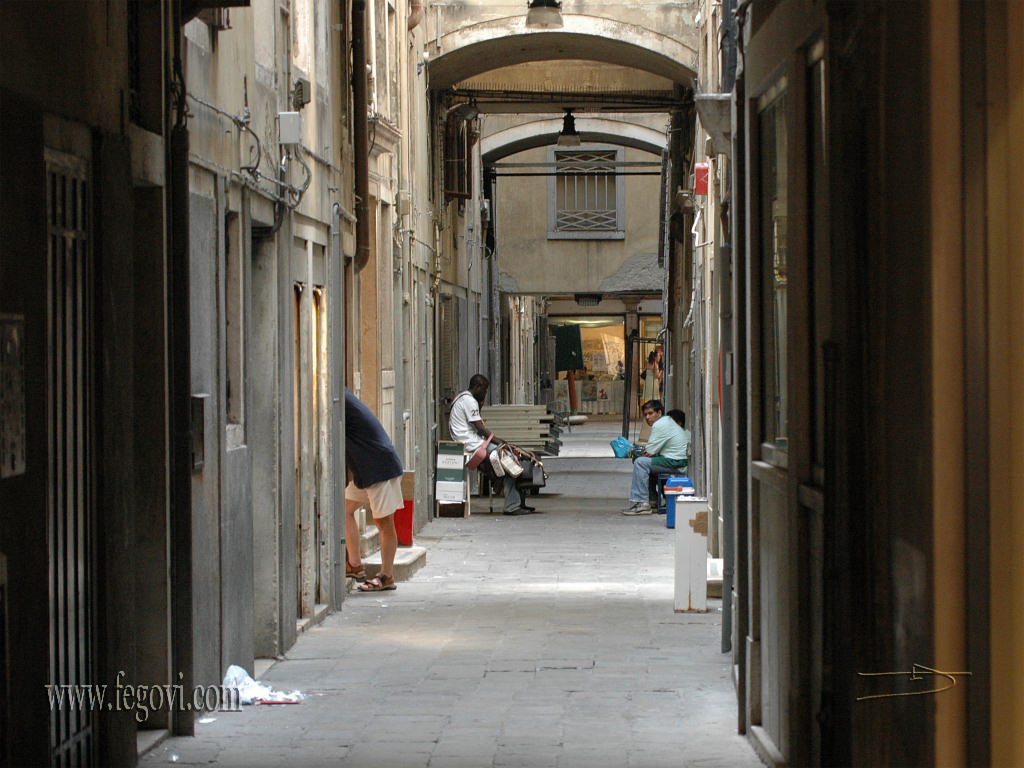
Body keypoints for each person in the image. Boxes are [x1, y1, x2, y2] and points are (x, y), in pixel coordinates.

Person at [449, 374, 535, 515]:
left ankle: (515, 499)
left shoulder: (463, 398)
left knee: (508, 459)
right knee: (509, 460)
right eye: (485, 389)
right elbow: (481, 429)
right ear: (477, 387)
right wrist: (501, 442)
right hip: (471, 444)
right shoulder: (469, 401)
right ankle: (512, 505)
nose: (486, 393)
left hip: (471, 441)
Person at [344, 388, 404, 591]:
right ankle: (355, 565)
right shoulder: (345, 400)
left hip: (379, 467)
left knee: (383, 522)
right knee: (345, 509)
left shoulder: (340, 402)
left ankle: (387, 576)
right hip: (366, 469)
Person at [622, 399, 690, 515]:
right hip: (675, 460)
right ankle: (652, 500)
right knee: (648, 463)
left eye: (650, 413)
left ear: (659, 413)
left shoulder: (660, 424)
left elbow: (649, 451)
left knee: (640, 462)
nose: (647, 417)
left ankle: (642, 503)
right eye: (645, 415)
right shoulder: (666, 422)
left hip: (676, 463)